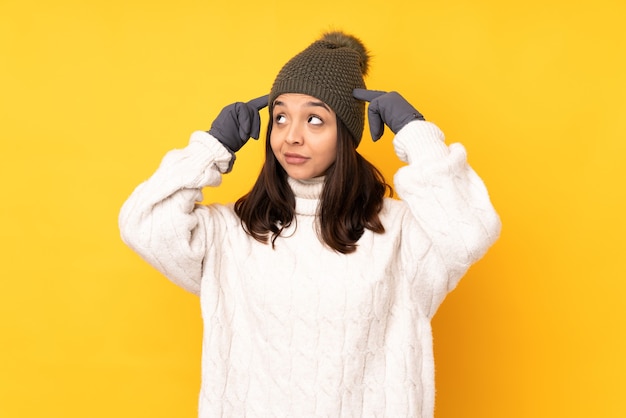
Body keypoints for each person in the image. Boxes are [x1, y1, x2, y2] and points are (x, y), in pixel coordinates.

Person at [119, 30, 501, 418]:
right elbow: (143, 224)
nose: (291, 137)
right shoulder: (233, 233)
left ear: (346, 135)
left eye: (315, 119)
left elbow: (470, 233)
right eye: (281, 117)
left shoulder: (400, 233)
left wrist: (418, 134)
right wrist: (211, 146)